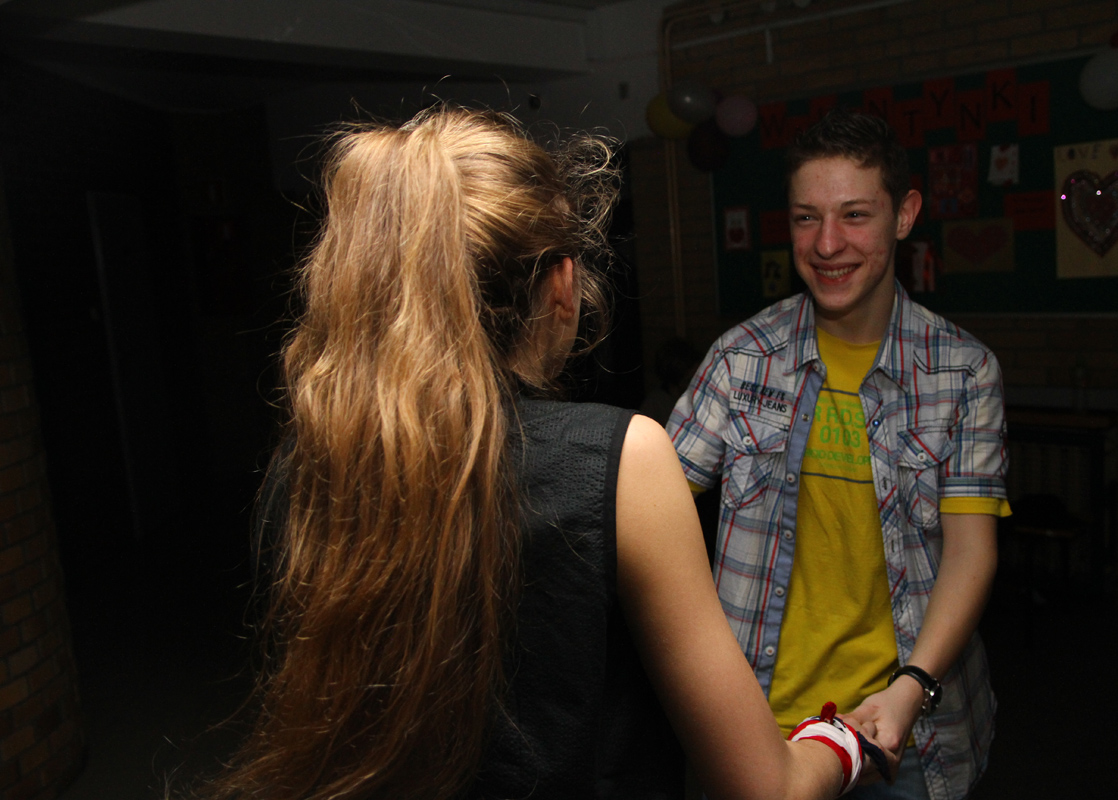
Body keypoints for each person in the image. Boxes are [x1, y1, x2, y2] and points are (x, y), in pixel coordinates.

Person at [200, 107, 891, 800]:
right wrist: (842, 739)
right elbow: (766, 787)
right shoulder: (622, 460)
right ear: (561, 284)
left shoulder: (305, 466)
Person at [667, 109, 1007, 800]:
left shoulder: (962, 372)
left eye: (854, 215)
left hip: (902, 732)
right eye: (806, 218)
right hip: (753, 726)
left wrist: (912, 686)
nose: (827, 244)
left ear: (903, 215)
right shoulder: (742, 359)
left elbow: (972, 553)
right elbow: (652, 507)